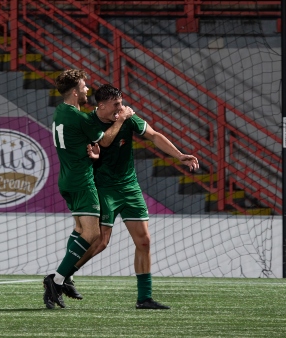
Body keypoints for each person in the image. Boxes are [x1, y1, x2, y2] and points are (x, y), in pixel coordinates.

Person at [71, 84, 199, 309]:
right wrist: (121, 119)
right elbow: (105, 142)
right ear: (101, 106)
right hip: (103, 188)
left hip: (129, 187)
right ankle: (64, 276)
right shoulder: (89, 122)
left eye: (121, 104)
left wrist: (179, 155)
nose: (121, 108)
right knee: (101, 242)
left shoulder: (127, 117)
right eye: (116, 105)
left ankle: (144, 298)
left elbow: (154, 136)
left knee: (144, 241)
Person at [43, 71, 134, 309]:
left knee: (80, 229)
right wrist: (121, 118)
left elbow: (83, 145)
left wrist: (92, 155)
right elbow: (104, 141)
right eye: (83, 87)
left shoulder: (61, 112)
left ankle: (67, 277)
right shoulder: (78, 117)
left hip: (67, 178)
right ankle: (57, 280)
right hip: (82, 181)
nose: (86, 91)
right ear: (74, 92)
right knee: (93, 235)